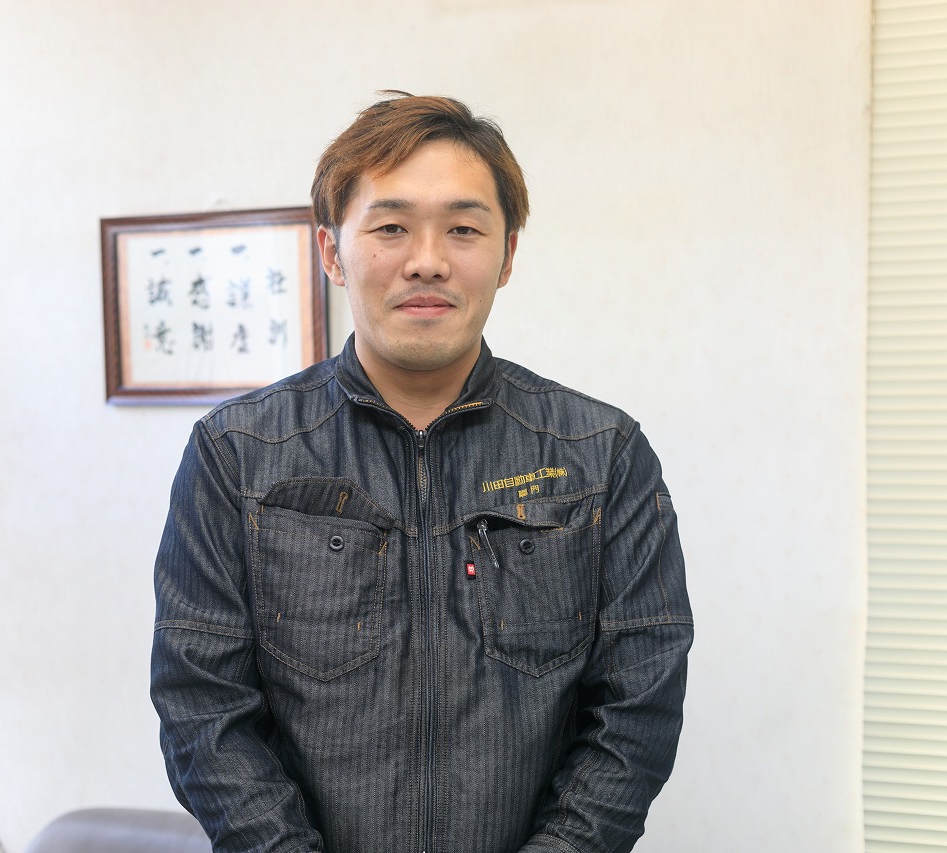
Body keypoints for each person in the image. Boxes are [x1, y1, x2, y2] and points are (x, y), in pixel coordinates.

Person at [150, 92, 692, 853]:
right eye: (391, 227)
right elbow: (203, 706)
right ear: (332, 252)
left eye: (464, 228)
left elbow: (637, 708)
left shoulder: (602, 454)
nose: (427, 259)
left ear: (507, 255)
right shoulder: (236, 453)